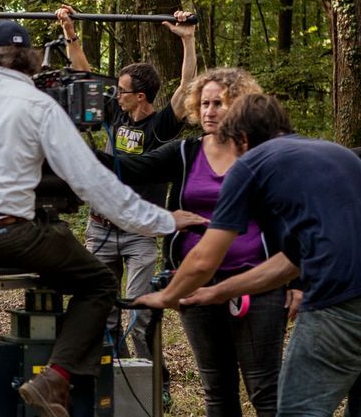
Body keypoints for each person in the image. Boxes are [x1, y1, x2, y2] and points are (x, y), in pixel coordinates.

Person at [0, 19, 207, 417]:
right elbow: (93, 183)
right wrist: (163, 221)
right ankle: (55, 378)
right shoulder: (37, 104)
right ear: (29, 59)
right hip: (16, 235)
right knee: (98, 282)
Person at [135, 93, 361, 415]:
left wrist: (164, 296)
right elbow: (290, 262)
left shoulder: (252, 165)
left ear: (241, 138)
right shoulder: (335, 154)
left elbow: (205, 257)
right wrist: (217, 292)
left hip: (340, 304)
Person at [98, 68, 298, 416]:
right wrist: (69, 151)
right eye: (204, 103)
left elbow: (288, 219)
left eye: (218, 103)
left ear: (239, 105)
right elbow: (129, 168)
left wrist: (296, 282)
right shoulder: (186, 152)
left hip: (258, 283)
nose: (209, 111)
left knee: (264, 389)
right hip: (195, 282)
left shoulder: (262, 153)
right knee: (216, 388)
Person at [55, 5, 197, 365]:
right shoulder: (114, 112)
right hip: (100, 227)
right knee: (104, 310)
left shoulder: (161, 125)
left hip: (139, 233)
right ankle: (112, 374)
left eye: (122, 90)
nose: (115, 95)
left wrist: (189, 41)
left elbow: (186, 88)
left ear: (141, 97)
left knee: (140, 311)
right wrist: (70, 31)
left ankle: (151, 377)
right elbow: (82, 73)